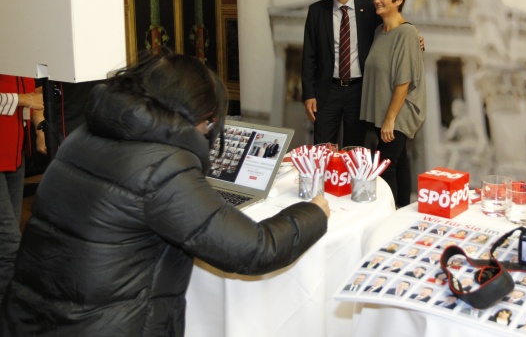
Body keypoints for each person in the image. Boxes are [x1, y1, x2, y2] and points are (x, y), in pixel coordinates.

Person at [0, 52, 329, 336]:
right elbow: (254, 249)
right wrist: (313, 212)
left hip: (32, 318)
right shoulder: (164, 165)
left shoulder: (82, 136)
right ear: (191, 113)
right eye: (208, 121)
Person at [302, 0, 382, 149]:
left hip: (359, 91)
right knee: (323, 148)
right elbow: (308, 56)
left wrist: (413, 34)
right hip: (327, 91)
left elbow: (393, 24)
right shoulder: (317, 11)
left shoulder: (369, 7)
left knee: (353, 149)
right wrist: (309, 94)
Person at [360, 0, 426, 207]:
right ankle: (402, 210)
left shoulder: (407, 33)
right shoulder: (379, 32)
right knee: (399, 162)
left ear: (398, 1)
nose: (377, 0)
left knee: (384, 166)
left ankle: (388, 216)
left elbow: (404, 81)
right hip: (387, 111)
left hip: (399, 112)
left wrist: (390, 119)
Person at [0, 76, 45, 305]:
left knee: (8, 240)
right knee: (9, 245)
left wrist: (40, 129)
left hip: (14, 156)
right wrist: (24, 100)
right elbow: (30, 98)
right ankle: (13, 314)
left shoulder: (20, 59)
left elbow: (35, 97)